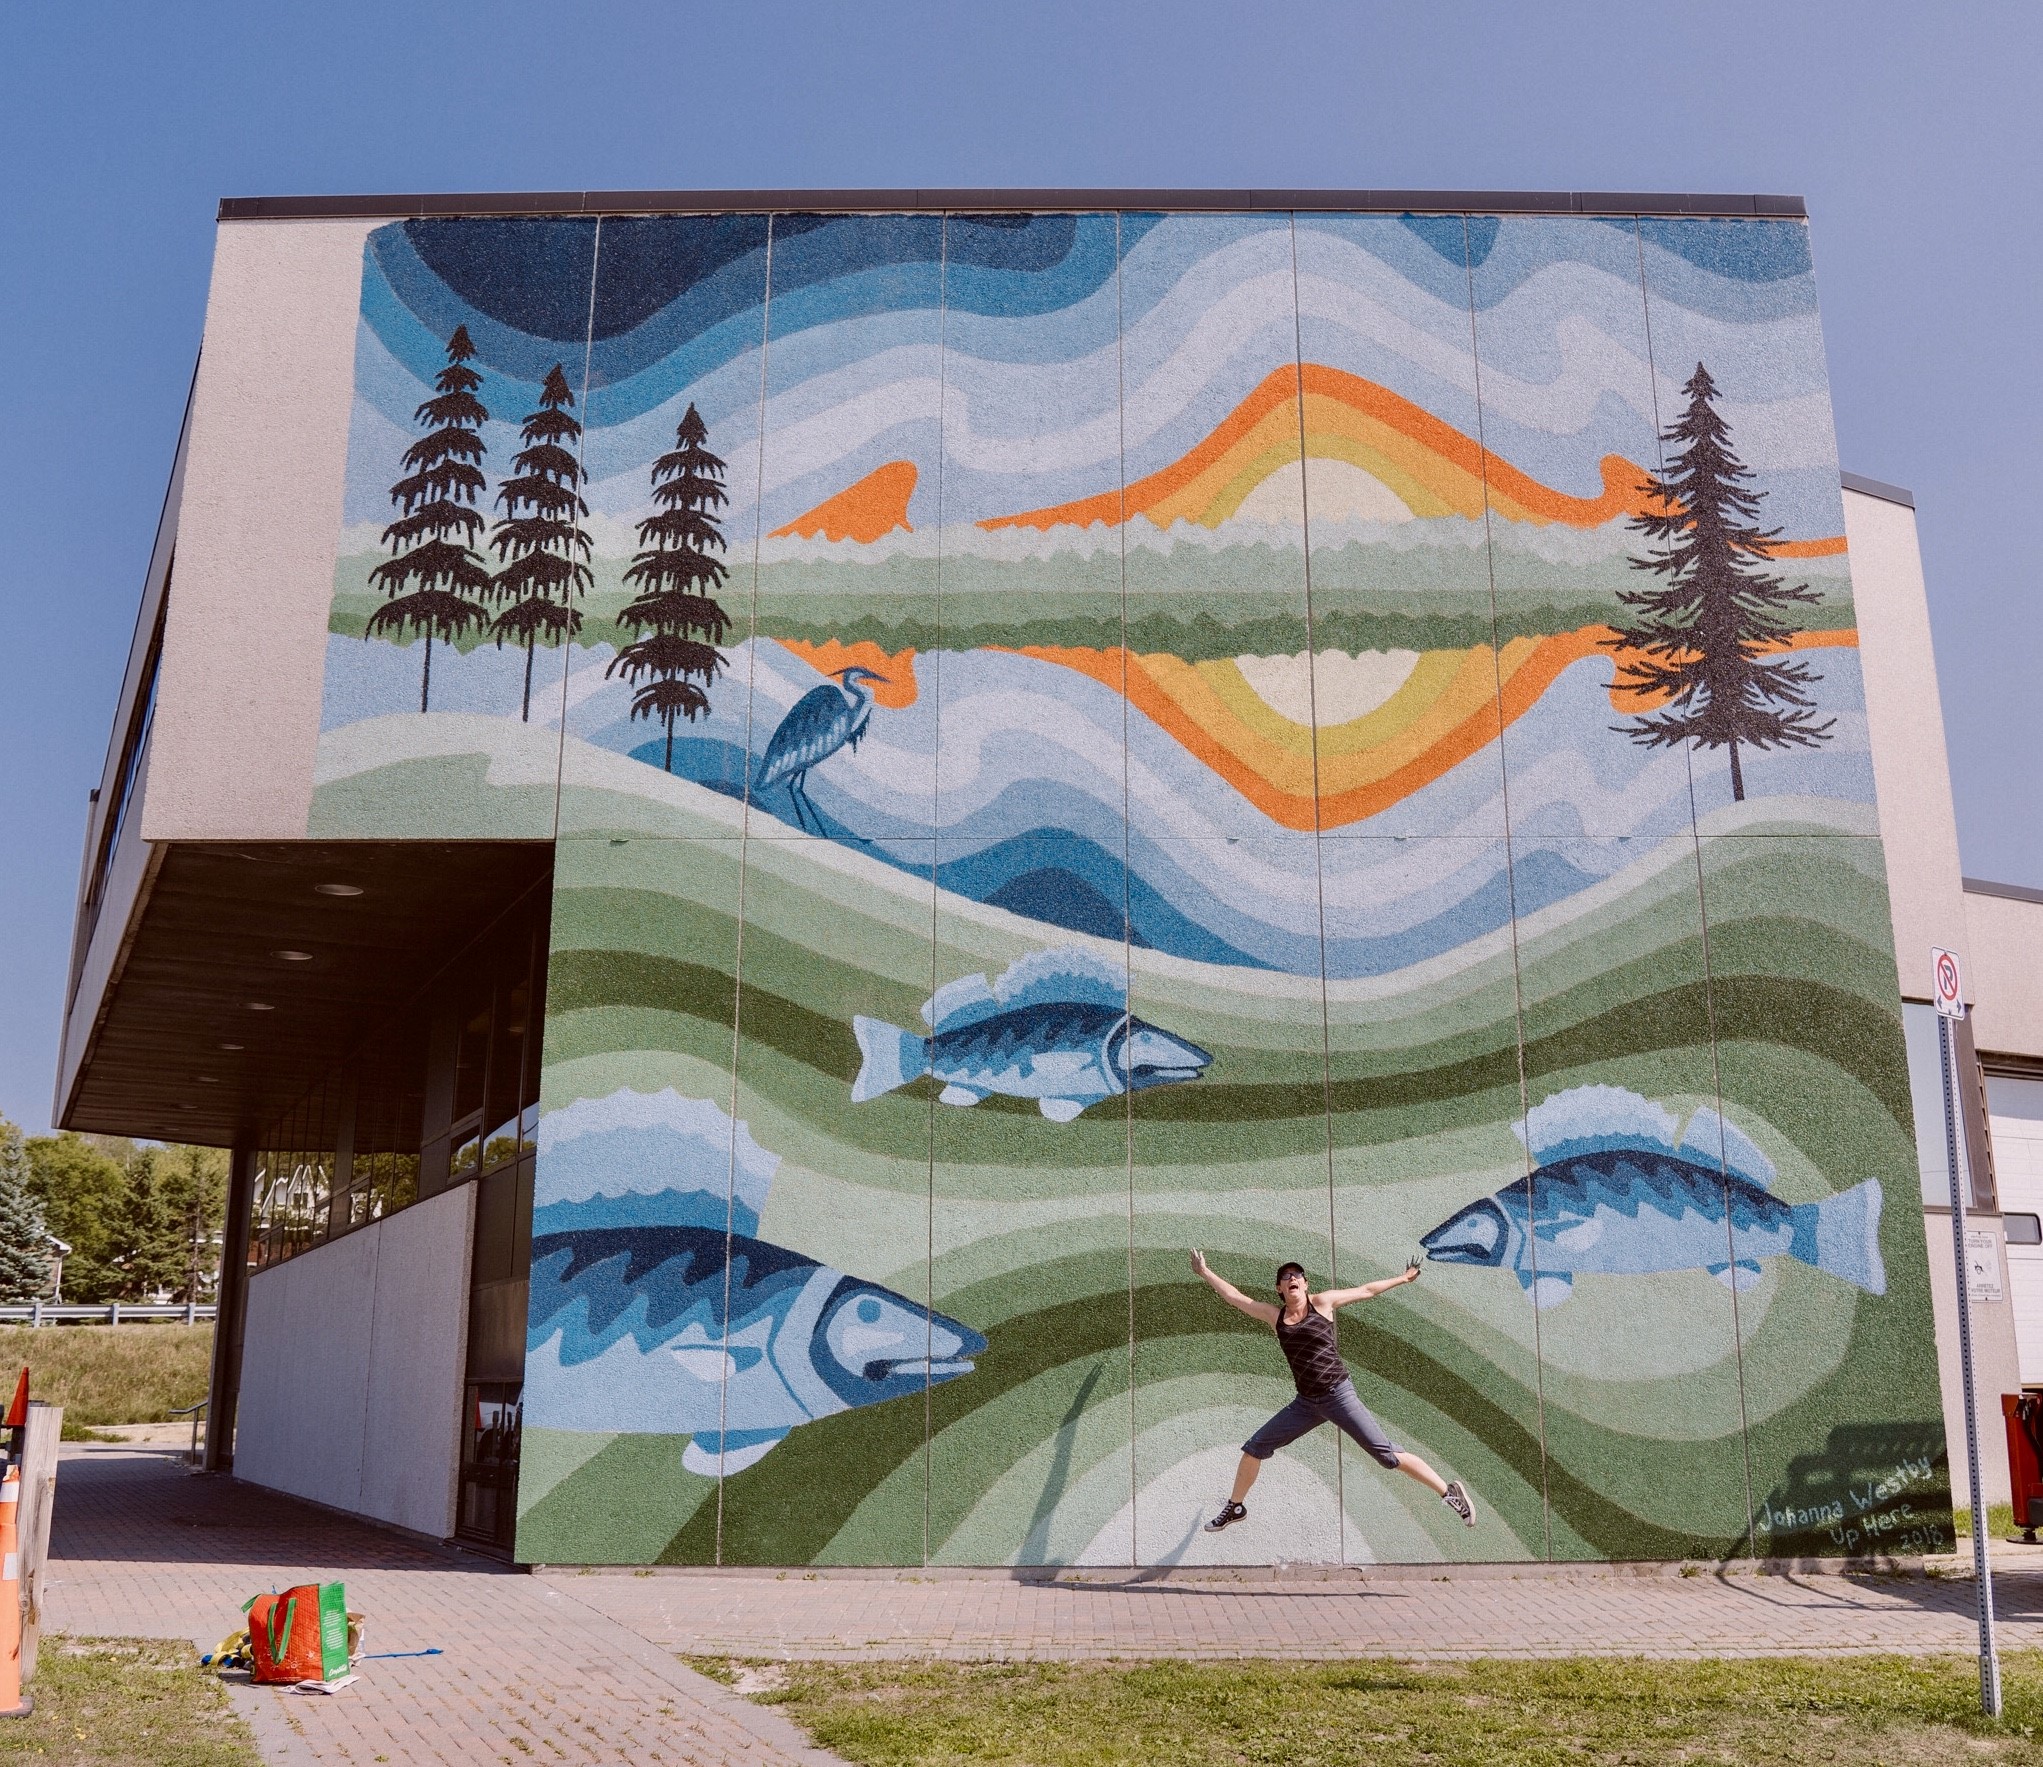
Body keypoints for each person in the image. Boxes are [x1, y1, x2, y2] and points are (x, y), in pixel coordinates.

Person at [1190, 1248, 1475, 1532]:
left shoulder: (1323, 1302)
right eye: (1286, 1276)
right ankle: (1236, 1506)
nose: (1293, 1278)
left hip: (1338, 1395)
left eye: (1297, 1275)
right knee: (1255, 1448)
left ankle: (1448, 1492)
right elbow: (1235, 1298)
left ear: (1305, 1283)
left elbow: (1366, 1290)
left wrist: (1403, 1278)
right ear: (1279, 1288)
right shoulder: (1274, 1316)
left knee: (1386, 1456)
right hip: (1305, 1404)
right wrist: (1205, 1272)